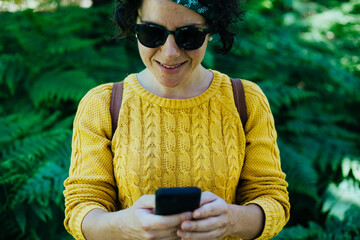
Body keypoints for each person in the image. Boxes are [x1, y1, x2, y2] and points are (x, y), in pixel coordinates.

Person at [63, 0, 290, 239]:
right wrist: (123, 225)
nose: (170, 53)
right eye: (152, 33)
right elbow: (82, 207)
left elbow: (272, 199)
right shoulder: (102, 105)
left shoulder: (245, 100)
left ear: (211, 31)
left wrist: (232, 220)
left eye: (189, 36)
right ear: (134, 23)